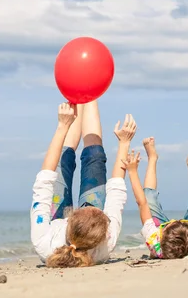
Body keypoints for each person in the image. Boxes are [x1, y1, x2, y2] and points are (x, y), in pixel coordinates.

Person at [30, 101, 137, 267]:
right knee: (94, 157)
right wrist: (124, 143)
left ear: (72, 218)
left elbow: (44, 181)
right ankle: (89, 95)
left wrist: (62, 126)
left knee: (63, 159)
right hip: (85, 230)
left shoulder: (44, 243)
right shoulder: (105, 242)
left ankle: (78, 96)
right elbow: (116, 190)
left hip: (55, 224)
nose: (90, 207)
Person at [122, 138, 188, 259]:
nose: (173, 220)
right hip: (185, 233)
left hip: (161, 230)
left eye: (170, 224)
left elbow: (142, 203)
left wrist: (132, 172)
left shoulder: (154, 238)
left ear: (162, 234)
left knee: (148, 197)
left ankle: (152, 158)